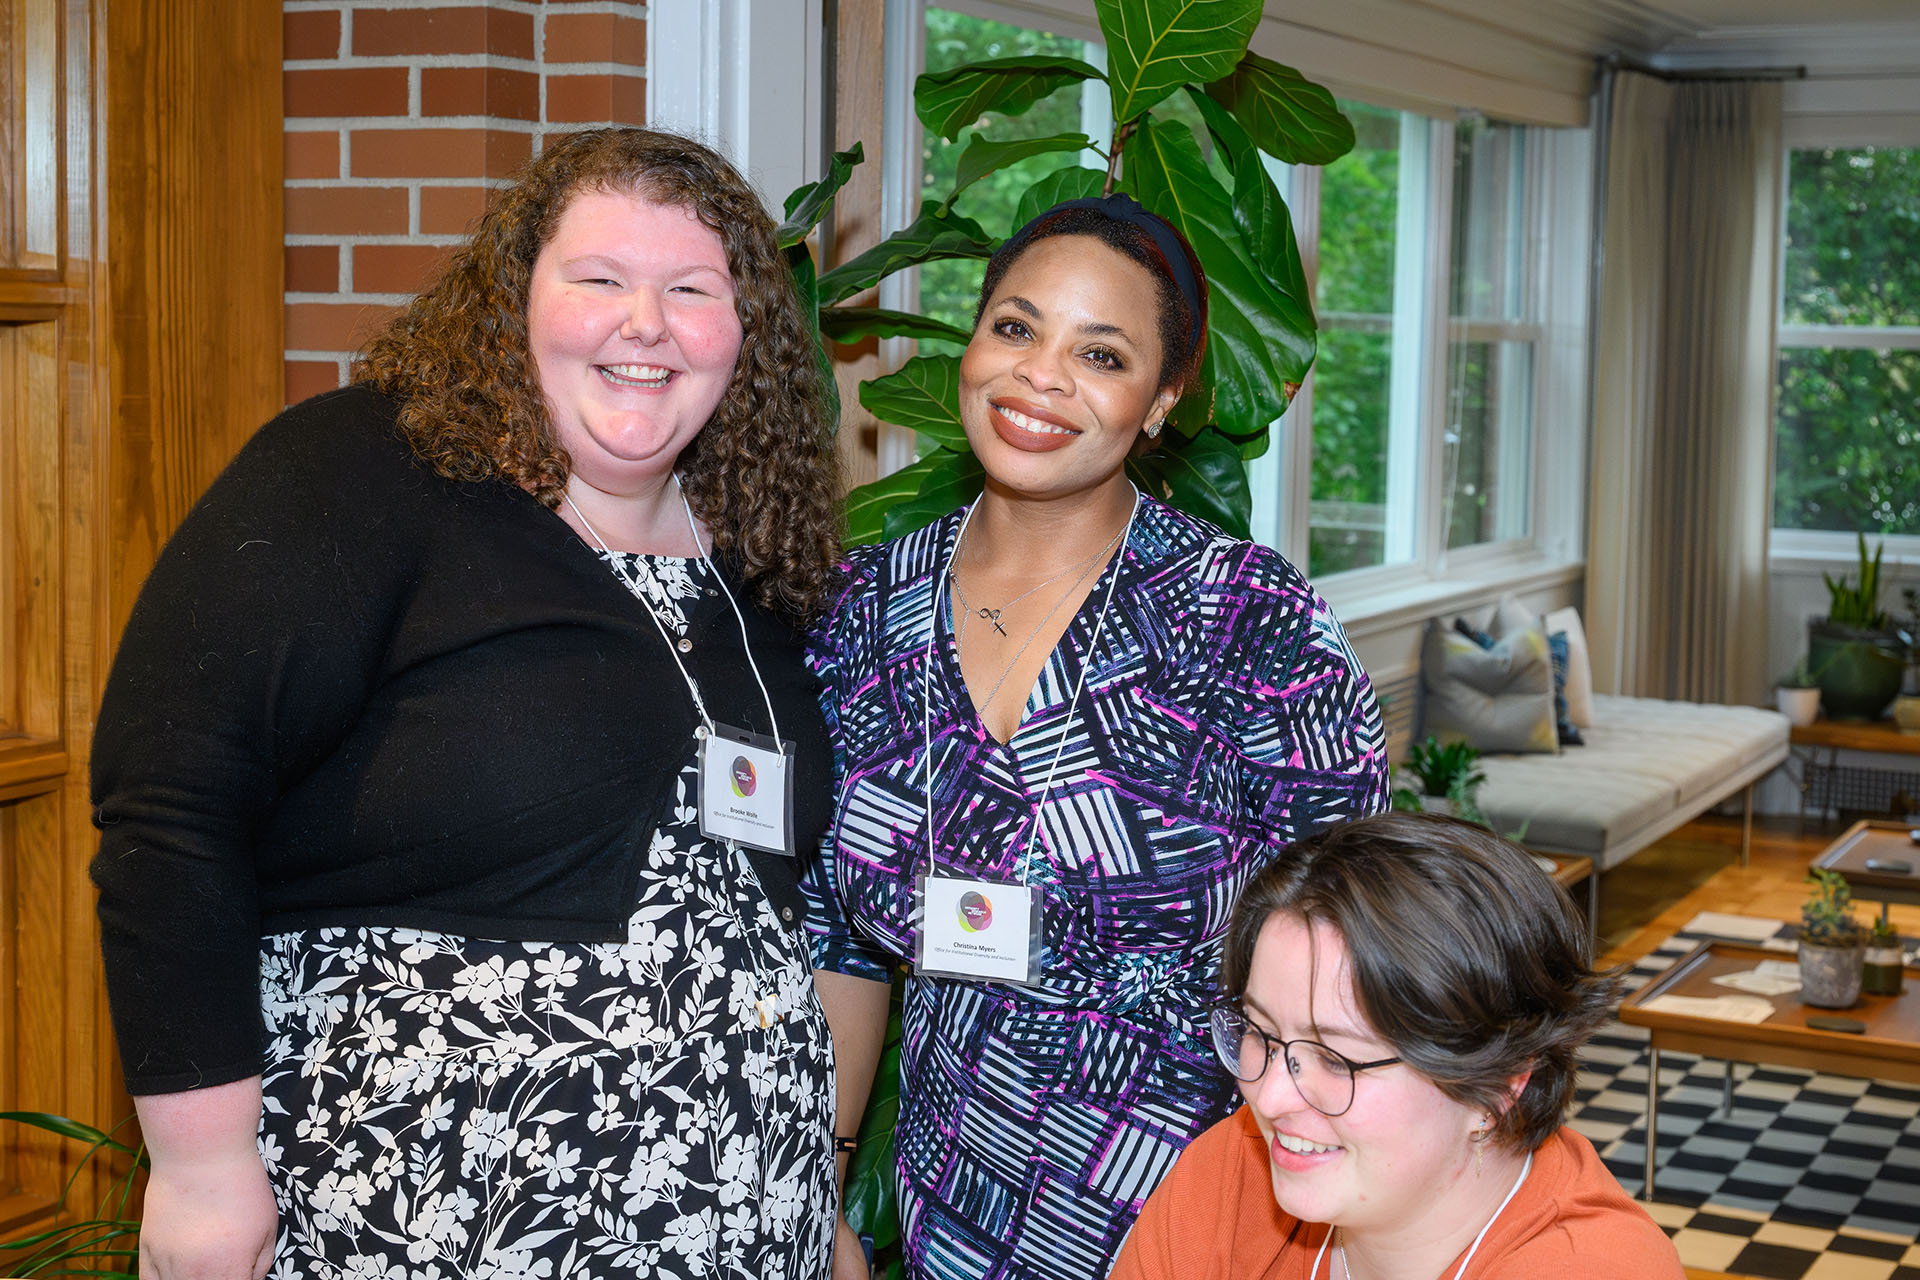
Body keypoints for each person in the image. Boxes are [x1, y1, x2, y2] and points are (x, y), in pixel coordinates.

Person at [91, 127, 842, 1280]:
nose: (644, 322)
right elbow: (173, 807)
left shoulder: (750, 559)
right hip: (430, 1206)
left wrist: (810, 1198)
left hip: (735, 1218)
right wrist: (200, 1171)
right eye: (599, 279)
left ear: (743, 337)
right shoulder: (364, 471)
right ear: (511, 301)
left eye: (691, 290)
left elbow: (763, 905)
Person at [803, 194, 1389, 1280]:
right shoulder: (860, 611)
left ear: (1162, 401)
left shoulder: (1250, 624)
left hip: (1215, 1216)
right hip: (956, 1216)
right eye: (1016, 328)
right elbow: (841, 940)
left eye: (1103, 353)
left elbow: (1359, 949)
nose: (1041, 376)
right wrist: (827, 1192)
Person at [1112, 812, 1684, 1280]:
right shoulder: (1232, 1175)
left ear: (1498, 1084)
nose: (1269, 1095)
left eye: (1336, 1059)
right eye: (1262, 1034)